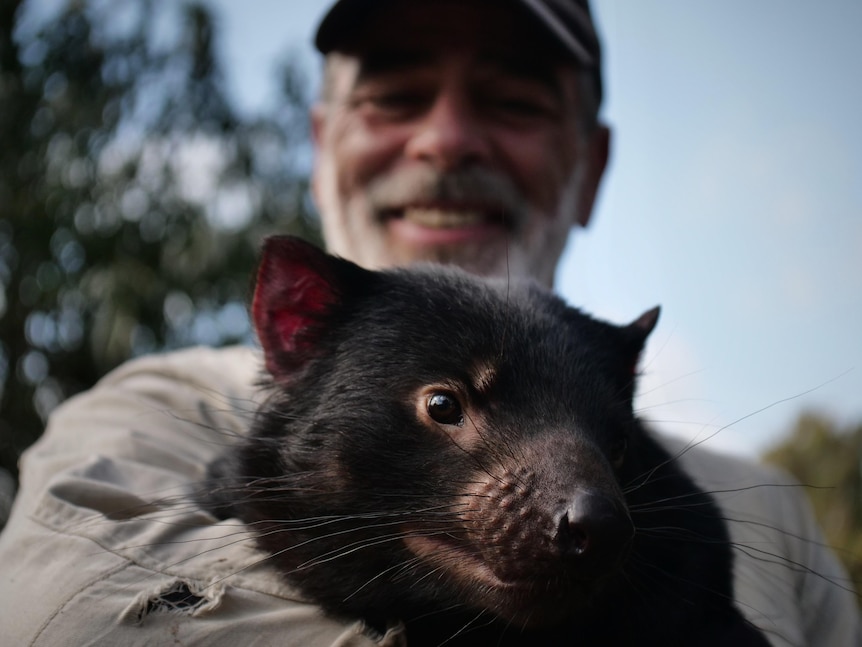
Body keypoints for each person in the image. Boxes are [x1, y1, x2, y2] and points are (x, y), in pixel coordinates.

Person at [0, 0, 858, 645]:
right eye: (397, 97)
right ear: (321, 144)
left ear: (591, 166)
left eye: (513, 104)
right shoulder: (148, 415)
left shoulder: (768, 508)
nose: (447, 139)